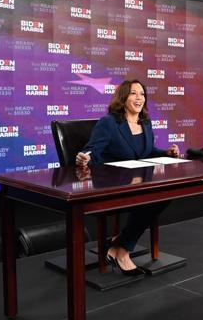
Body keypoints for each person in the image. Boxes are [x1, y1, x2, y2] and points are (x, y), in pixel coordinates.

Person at [75, 79, 180, 276]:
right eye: (133, 93)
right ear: (123, 97)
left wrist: (166, 153)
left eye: (142, 94)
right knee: (151, 198)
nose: (139, 98)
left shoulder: (145, 122)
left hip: (137, 183)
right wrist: (84, 158)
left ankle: (119, 245)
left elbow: (146, 152)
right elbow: (92, 150)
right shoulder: (109, 122)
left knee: (165, 193)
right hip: (111, 184)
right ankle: (122, 250)